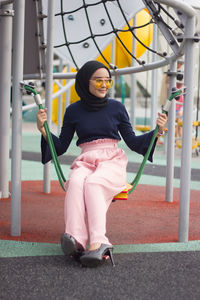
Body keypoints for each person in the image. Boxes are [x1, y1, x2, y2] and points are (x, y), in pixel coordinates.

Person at [37, 60, 167, 268]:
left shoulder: (116, 108)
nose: (104, 85)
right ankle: (75, 238)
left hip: (111, 161)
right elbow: (59, 146)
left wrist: (157, 132)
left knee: (94, 183)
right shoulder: (73, 111)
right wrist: (43, 131)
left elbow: (133, 141)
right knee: (76, 182)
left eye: (107, 81)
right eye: (99, 81)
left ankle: (99, 242)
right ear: (85, 82)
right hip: (86, 159)